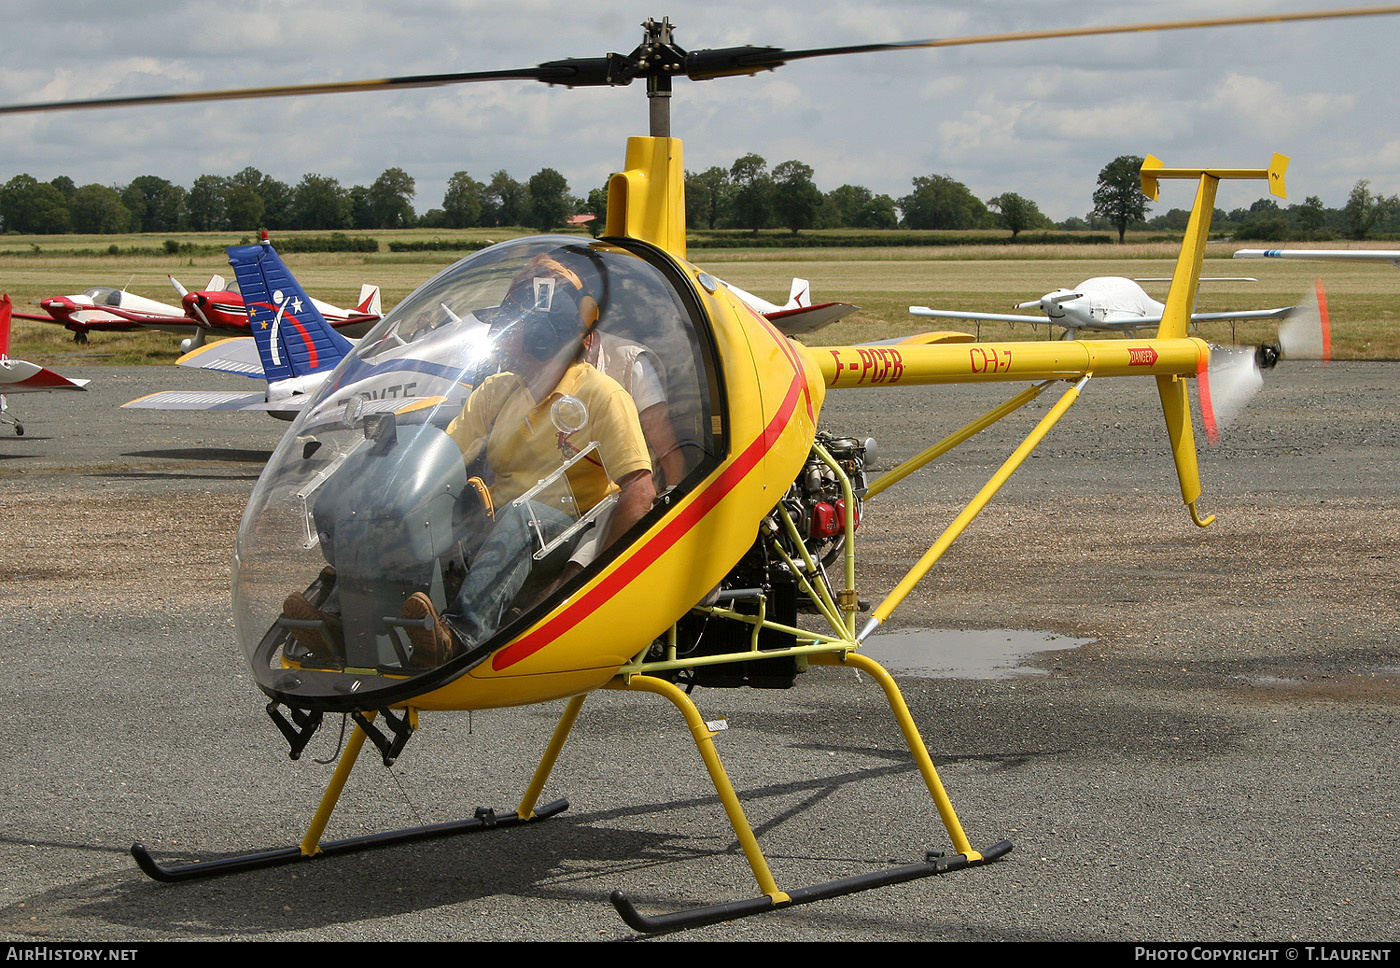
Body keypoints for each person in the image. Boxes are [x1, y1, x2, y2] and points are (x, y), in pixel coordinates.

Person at [398, 253, 655, 661]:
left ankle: (460, 638)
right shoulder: (496, 391)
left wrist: (601, 576)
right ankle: (347, 618)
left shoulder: (603, 396)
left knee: (523, 514)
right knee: (409, 508)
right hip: (492, 526)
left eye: (509, 328)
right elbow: (442, 459)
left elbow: (640, 491)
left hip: (563, 533)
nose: (498, 338)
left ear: (542, 335)